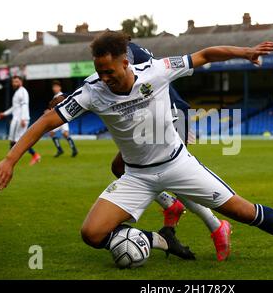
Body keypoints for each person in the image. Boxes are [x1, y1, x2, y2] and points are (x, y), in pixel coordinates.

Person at [0, 31, 273, 266]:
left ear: (125, 62)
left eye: (109, 71)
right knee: (92, 234)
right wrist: (11, 158)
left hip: (179, 164)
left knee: (245, 211)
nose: (104, 77)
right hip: (137, 176)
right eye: (98, 71)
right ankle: (160, 242)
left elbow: (205, 54)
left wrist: (246, 52)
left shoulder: (157, 70)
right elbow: (47, 121)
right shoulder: (91, 91)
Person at [49, 41, 232, 261]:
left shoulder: (125, 52)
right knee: (119, 166)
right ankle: (170, 204)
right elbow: (101, 86)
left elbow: (114, 86)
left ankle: (215, 225)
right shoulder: (121, 52)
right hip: (151, 121)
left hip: (169, 116)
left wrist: (67, 98)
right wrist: (68, 100)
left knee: (170, 172)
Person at [0, 76, 41, 165]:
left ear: (21, 82)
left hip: (20, 119)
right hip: (17, 119)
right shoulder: (17, 93)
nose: (14, 83)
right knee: (15, 140)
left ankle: (10, 160)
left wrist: (23, 118)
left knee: (17, 140)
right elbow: (15, 107)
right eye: (13, 82)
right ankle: (11, 159)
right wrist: (4, 113)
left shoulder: (23, 92)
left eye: (16, 81)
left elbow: (24, 105)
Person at [46, 80, 78, 157]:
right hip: (58, 117)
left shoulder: (61, 96)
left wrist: (49, 111)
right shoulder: (55, 96)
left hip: (61, 117)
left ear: (60, 87)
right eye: (54, 87)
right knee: (54, 133)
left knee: (64, 134)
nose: (55, 88)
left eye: (56, 87)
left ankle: (72, 149)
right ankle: (62, 149)